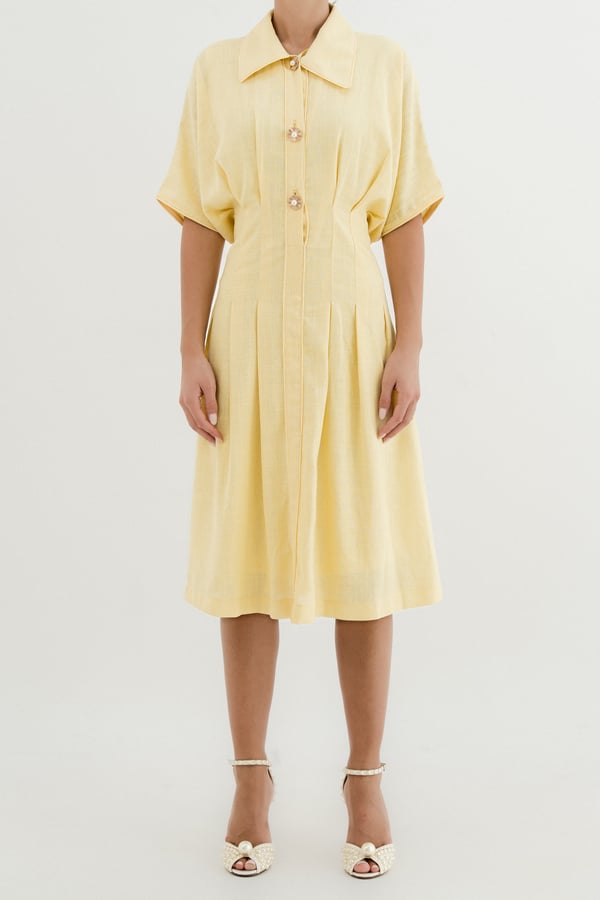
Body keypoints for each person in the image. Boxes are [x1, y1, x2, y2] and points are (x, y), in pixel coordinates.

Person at [156, 0, 445, 880]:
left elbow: (403, 214)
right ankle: (251, 778)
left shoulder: (383, 64)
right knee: (246, 549)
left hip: (353, 335)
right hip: (246, 337)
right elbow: (202, 217)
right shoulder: (217, 68)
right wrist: (190, 349)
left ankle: (366, 780)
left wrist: (409, 343)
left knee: (363, 548)